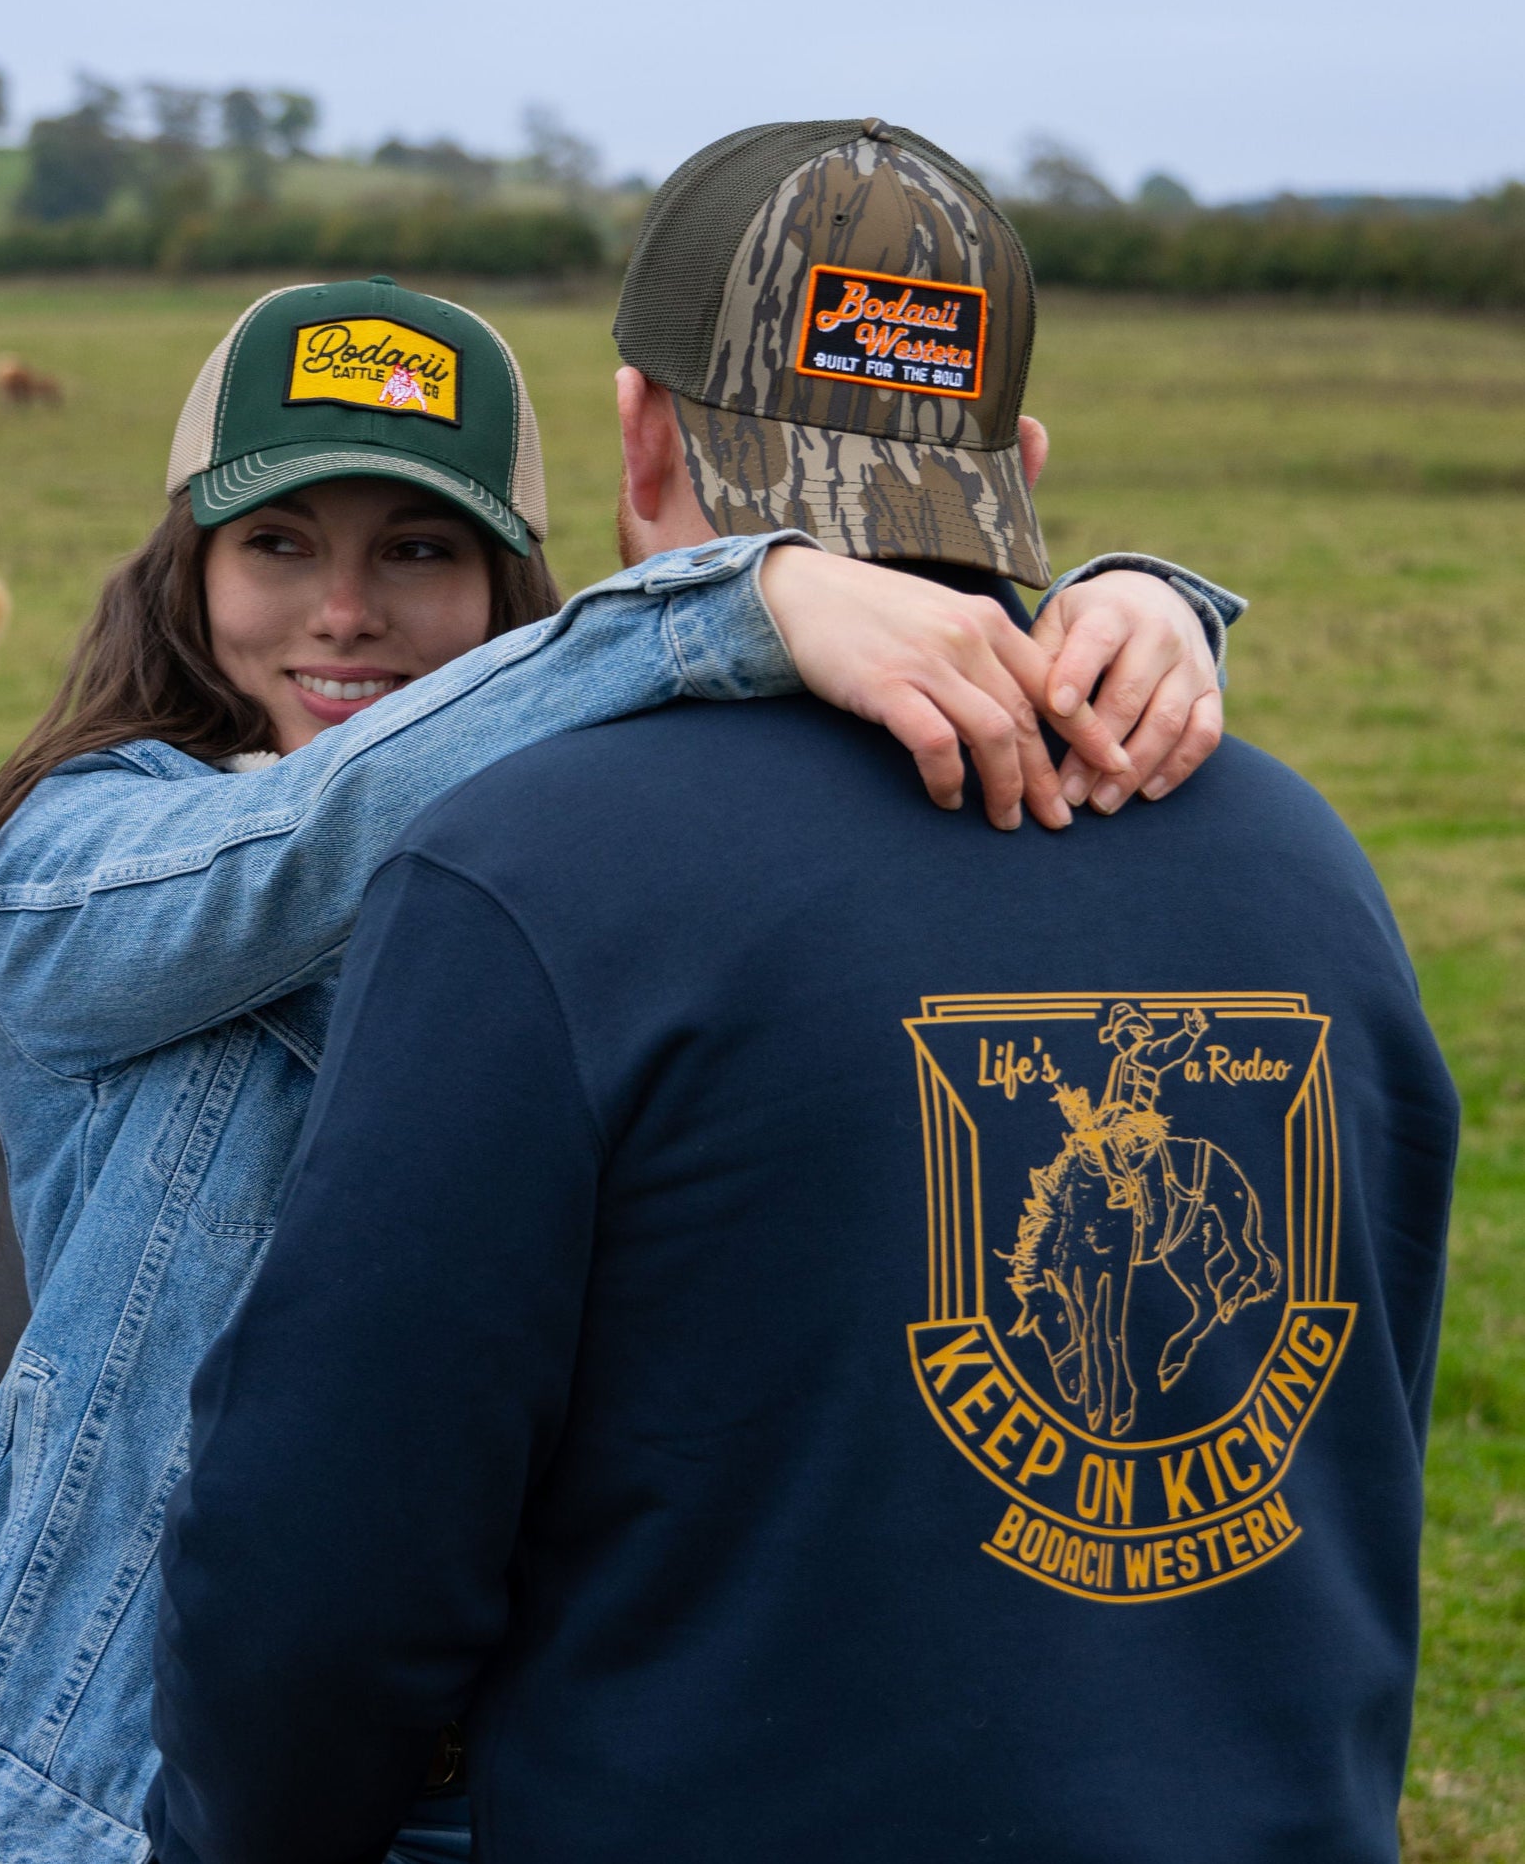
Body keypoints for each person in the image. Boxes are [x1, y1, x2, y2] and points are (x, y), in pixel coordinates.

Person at [149, 125, 1457, 1864]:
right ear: (1023, 465)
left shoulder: (531, 868)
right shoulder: (1303, 864)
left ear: (639, 435)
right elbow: (1341, 1456)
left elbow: (321, 1558)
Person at [0, 268, 1236, 1864]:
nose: (347, 611)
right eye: (280, 543)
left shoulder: (578, 810)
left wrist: (1124, 621)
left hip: (511, 1749)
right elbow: (308, 849)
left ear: (510, 582)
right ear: (186, 567)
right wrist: (730, 605)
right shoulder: (81, 854)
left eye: (419, 550)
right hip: (130, 1769)